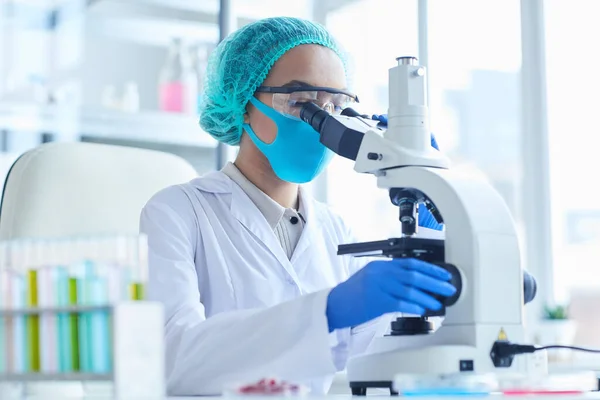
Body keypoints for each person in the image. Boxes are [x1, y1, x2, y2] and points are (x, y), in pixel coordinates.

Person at [140, 16, 456, 396]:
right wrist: (327, 312)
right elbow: (172, 358)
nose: (322, 123)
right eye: (301, 102)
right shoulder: (176, 213)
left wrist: (430, 222)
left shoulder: (336, 231)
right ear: (243, 103)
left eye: (335, 105)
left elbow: (383, 363)